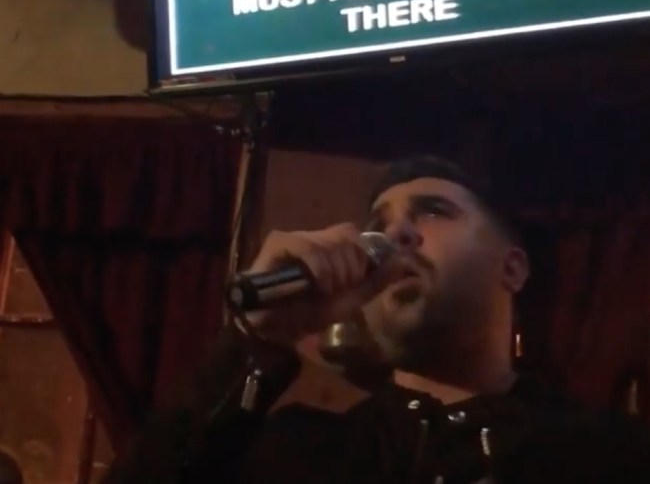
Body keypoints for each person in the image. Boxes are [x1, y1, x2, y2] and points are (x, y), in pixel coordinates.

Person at [104, 156, 650, 484]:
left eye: (433, 212)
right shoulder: (296, 452)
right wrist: (258, 340)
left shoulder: (610, 455)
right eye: (379, 223)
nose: (396, 235)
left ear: (513, 267)